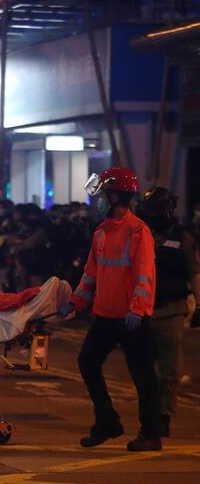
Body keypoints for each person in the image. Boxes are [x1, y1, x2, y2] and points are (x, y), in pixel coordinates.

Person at [59, 167, 160, 451]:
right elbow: (90, 275)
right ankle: (107, 421)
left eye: (103, 195)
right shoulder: (101, 233)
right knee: (87, 362)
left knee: (143, 377)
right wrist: (76, 304)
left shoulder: (139, 231)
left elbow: (145, 275)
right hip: (105, 314)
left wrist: (138, 310)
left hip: (132, 318)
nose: (99, 200)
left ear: (116, 196)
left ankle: (151, 433)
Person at [138, 187, 200, 436]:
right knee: (144, 370)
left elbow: (194, 272)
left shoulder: (183, 238)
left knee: (169, 370)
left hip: (171, 310)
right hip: (142, 310)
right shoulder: (139, 235)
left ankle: (163, 416)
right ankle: (150, 415)